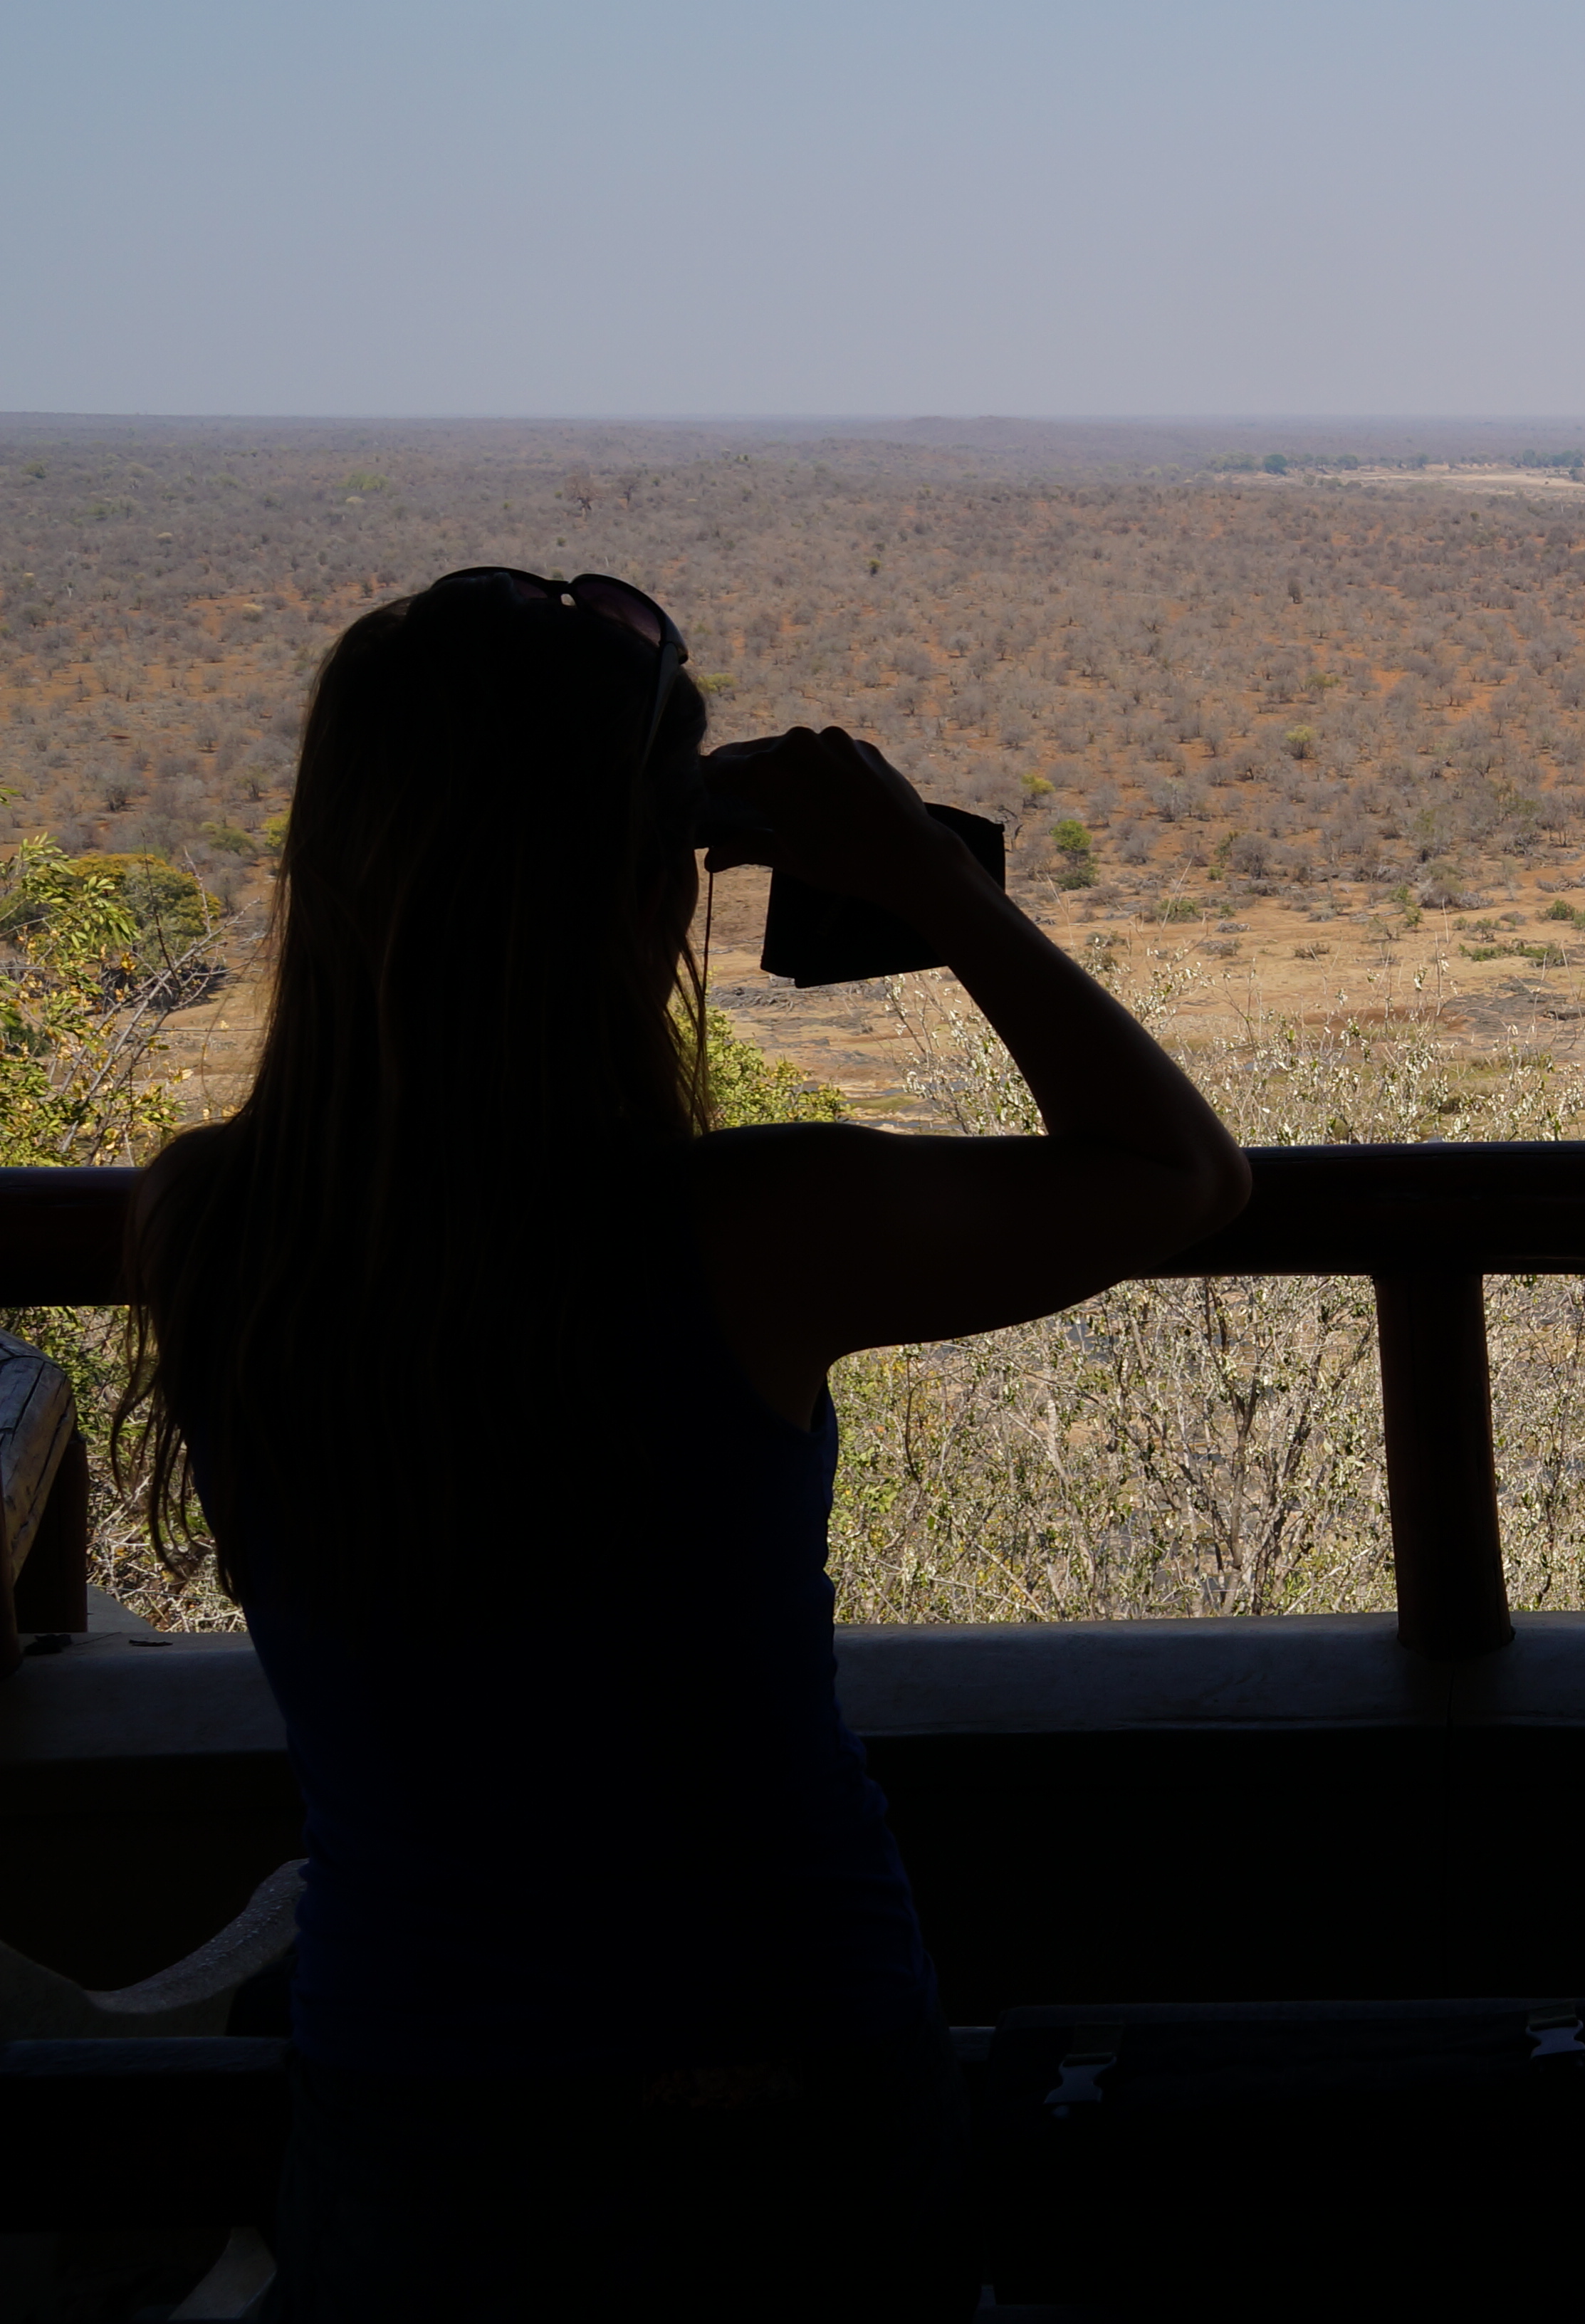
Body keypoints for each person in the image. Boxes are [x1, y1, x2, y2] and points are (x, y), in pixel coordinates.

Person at [122, 569, 1247, 2318]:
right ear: (647, 891)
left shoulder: (212, 1228)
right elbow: (1178, 1169)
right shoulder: (757, 1227)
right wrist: (938, 890)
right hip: (772, 2070)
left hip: (407, 2101)